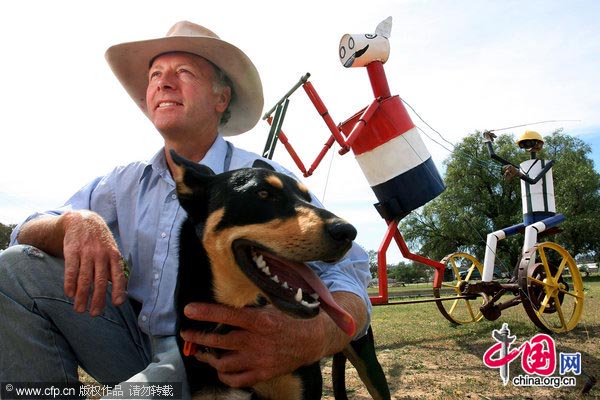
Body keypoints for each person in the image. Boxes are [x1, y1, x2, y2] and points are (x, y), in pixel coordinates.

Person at [0, 21, 371, 397]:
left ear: (220, 99)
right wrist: (74, 223)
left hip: (216, 351)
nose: (163, 82)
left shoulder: (269, 181)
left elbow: (350, 270)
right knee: (13, 268)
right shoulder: (122, 182)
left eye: (183, 72)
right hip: (129, 342)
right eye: (156, 74)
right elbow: (25, 230)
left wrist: (314, 336)